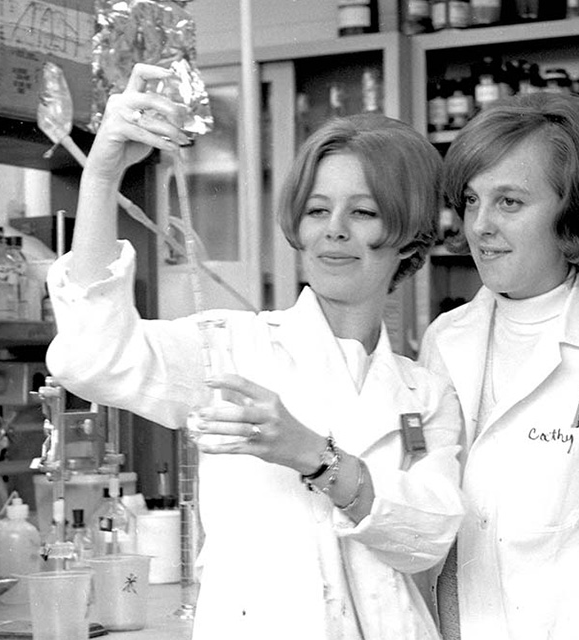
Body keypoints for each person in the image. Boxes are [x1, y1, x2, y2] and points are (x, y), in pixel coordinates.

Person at [45, 63, 464, 639]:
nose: (333, 230)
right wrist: (101, 176)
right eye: (317, 210)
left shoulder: (426, 392)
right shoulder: (233, 345)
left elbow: (429, 535)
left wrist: (314, 455)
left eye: (362, 212)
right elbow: (93, 358)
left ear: (410, 237)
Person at [418, 91, 579, 638]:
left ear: (573, 218)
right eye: (472, 200)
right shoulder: (445, 339)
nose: (480, 226)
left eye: (509, 202)